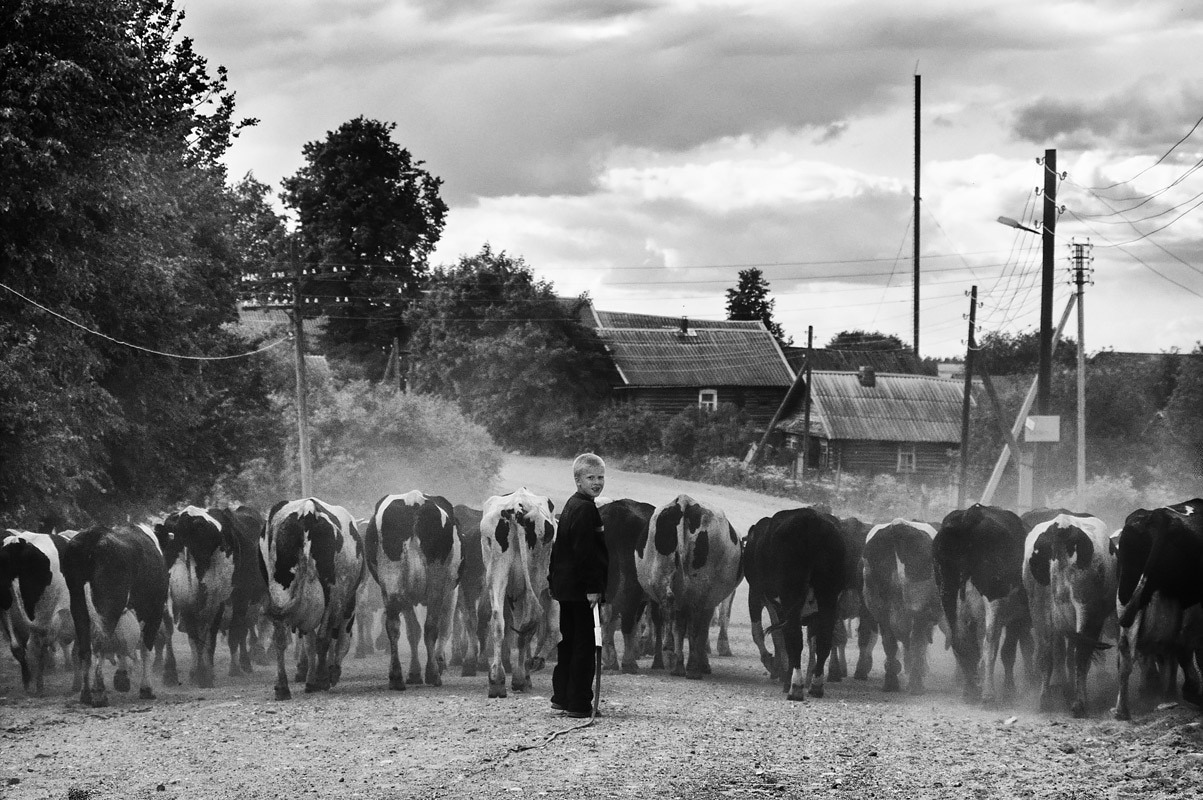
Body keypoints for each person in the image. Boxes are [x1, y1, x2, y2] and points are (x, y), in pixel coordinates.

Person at [549, 452, 609, 719]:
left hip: (566, 588)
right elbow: (586, 553)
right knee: (584, 645)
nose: (597, 483)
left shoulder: (573, 504)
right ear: (578, 480)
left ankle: (561, 697)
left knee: (570, 642)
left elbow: (560, 550)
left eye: (600, 477)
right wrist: (593, 587)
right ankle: (579, 704)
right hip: (582, 590)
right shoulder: (586, 509)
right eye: (590, 477)